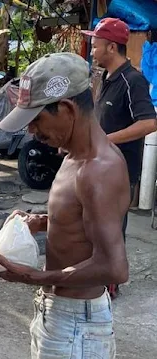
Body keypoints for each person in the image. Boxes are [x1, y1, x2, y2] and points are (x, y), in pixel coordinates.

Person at [0, 52, 129, 359]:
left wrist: (35, 276)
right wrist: (41, 220)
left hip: (76, 324)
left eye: (37, 120)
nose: (32, 131)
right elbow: (83, 218)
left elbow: (114, 267)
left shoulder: (99, 170)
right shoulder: (73, 154)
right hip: (59, 314)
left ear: (67, 108)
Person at [83, 17, 157, 298]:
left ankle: (110, 282)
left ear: (111, 47)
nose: (92, 50)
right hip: (100, 165)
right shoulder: (105, 78)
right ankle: (97, 273)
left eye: (95, 45)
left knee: (112, 226)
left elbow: (150, 123)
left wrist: (106, 141)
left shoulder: (133, 80)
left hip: (121, 170)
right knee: (95, 223)